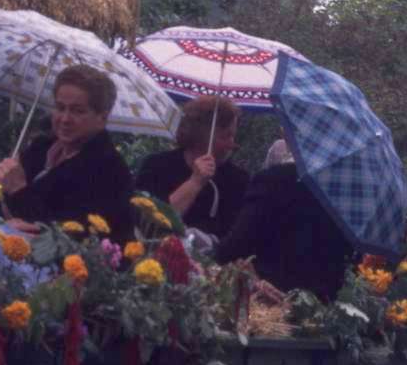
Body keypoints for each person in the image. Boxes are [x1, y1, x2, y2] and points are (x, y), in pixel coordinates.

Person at [0, 64, 134, 244]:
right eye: (60, 107)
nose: (65, 119)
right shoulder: (42, 147)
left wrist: (18, 189)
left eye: (77, 111)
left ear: (102, 118)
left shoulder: (109, 172)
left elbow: (60, 236)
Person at [214, 139, 353, 302]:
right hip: (316, 308)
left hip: (261, 301)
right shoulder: (351, 202)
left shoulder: (275, 180)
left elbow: (233, 249)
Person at [133, 95, 249, 239]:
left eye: (233, 136)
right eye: (226, 136)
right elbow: (149, 225)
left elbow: (237, 238)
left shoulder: (238, 180)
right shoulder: (156, 166)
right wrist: (195, 182)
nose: (232, 144)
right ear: (201, 135)